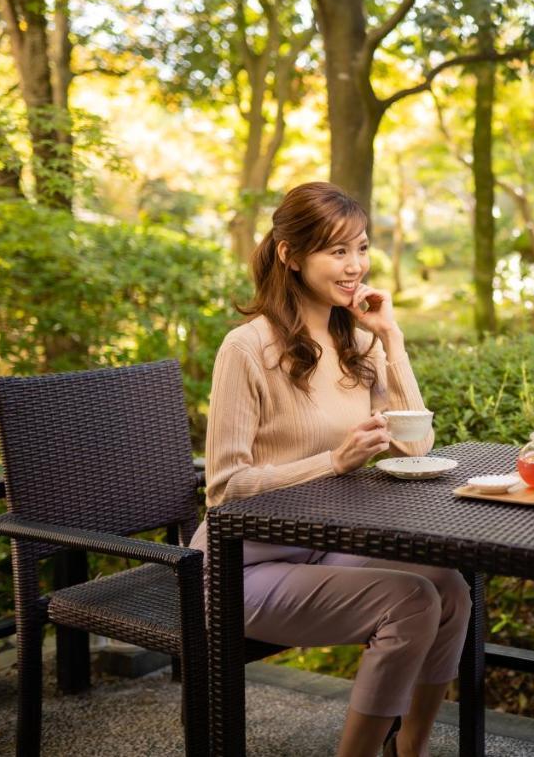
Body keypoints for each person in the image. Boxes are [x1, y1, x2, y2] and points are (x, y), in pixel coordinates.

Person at [189, 182, 470, 757]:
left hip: (322, 547)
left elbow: (415, 448)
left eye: (361, 248)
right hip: (241, 567)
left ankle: (407, 750)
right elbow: (224, 489)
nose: (355, 266)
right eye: (336, 251)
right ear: (291, 256)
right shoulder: (246, 349)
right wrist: (333, 461)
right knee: (411, 601)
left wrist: (390, 336)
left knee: (450, 585)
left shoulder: (358, 343)